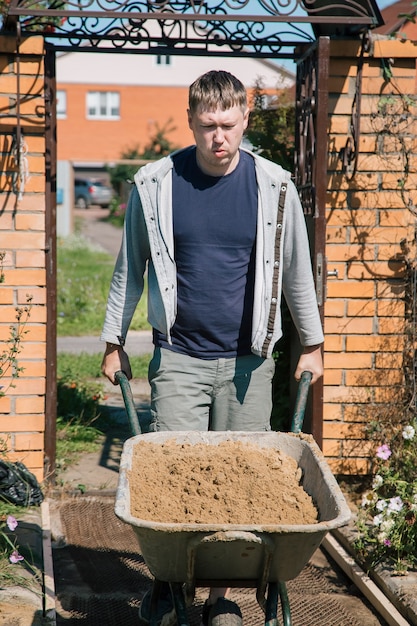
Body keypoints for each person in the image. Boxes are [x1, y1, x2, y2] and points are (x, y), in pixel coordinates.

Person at [101, 70, 324, 626]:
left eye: (228, 125)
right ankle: (173, 584)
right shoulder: (156, 185)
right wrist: (113, 341)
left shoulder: (273, 187)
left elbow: (297, 272)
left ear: (246, 118)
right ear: (192, 121)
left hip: (250, 360)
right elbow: (130, 268)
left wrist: (313, 344)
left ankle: (221, 599)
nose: (218, 138)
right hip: (178, 357)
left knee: (241, 486)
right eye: (207, 126)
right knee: (172, 481)